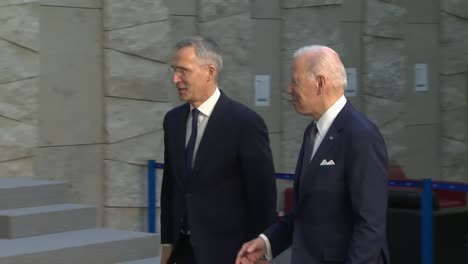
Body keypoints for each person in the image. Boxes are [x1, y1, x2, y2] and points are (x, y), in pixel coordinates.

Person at [236, 45, 390, 264]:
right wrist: (267, 242)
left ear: (320, 83)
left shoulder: (360, 136)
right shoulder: (313, 132)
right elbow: (306, 211)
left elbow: (370, 225)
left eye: (295, 81)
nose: (289, 89)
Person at [160, 36, 277, 264]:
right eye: (174, 70)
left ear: (210, 72)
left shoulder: (245, 123)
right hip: (181, 253)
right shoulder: (172, 121)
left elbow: (262, 196)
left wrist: (259, 253)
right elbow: (170, 187)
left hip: (229, 253)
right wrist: (167, 243)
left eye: (183, 71)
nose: (176, 79)